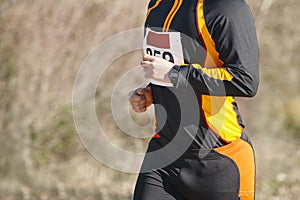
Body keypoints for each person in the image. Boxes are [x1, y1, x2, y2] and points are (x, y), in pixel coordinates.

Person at [129, 0, 259, 199]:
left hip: (219, 160)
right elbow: (174, 64)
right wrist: (153, 93)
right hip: (163, 155)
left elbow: (245, 81)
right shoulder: (157, 5)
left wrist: (175, 75)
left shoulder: (226, 7)